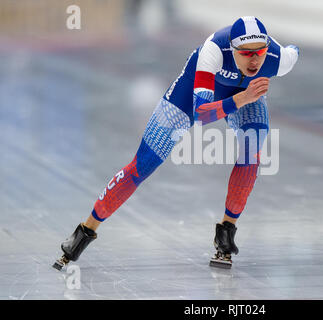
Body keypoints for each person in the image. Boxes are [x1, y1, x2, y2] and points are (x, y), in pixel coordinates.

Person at [53, 16, 299, 270]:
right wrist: (244, 97)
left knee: (252, 151)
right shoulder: (213, 51)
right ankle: (83, 233)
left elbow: (294, 51)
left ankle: (226, 233)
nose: (254, 60)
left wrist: (246, 96)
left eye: (259, 52)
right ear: (233, 49)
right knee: (143, 164)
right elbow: (202, 114)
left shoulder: (280, 59)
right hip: (193, 93)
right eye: (246, 53)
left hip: (246, 96)